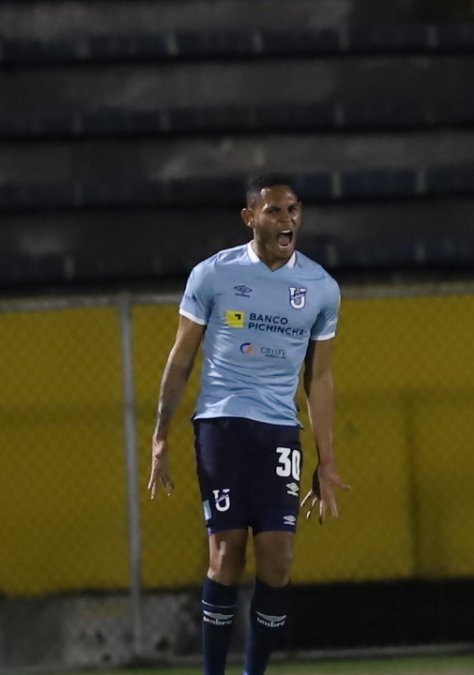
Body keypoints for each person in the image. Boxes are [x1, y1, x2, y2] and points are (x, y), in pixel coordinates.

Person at [147, 172, 349, 675]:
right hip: (222, 424)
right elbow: (180, 358)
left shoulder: (321, 288)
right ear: (250, 217)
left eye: (293, 210)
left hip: (280, 431)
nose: (286, 220)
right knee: (227, 552)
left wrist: (326, 459)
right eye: (274, 210)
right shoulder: (213, 275)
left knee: (278, 558)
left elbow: (319, 377)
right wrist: (160, 435)